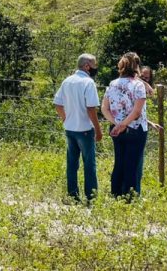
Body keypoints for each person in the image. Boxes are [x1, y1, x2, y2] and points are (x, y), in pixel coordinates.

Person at [53, 53, 103, 202]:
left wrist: (65, 119)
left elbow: (58, 103)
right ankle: (91, 197)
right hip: (85, 130)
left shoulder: (67, 81)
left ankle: (73, 195)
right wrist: (98, 129)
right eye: (94, 65)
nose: (96, 68)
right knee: (89, 164)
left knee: (72, 163)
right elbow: (91, 109)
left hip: (70, 128)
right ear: (87, 66)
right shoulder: (88, 83)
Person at [101, 52, 148, 199]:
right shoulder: (138, 85)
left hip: (116, 128)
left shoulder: (113, 83)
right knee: (132, 163)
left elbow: (104, 108)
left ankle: (116, 192)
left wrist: (117, 124)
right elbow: (137, 111)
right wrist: (125, 124)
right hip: (135, 128)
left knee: (119, 161)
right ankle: (129, 196)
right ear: (136, 66)